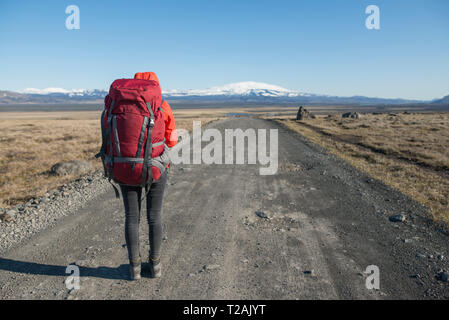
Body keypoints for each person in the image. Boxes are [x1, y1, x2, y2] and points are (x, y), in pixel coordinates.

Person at [119, 71, 177, 280]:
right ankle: (155, 266)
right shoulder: (162, 104)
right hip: (156, 168)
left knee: (131, 217)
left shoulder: (117, 105)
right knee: (154, 217)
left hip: (125, 167)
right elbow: (171, 139)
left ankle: (134, 268)